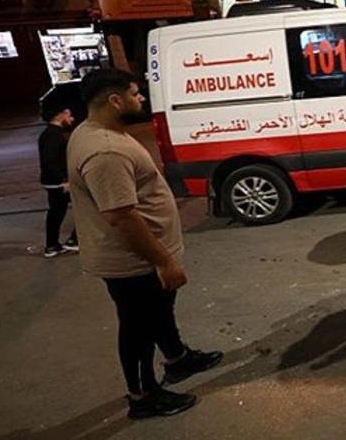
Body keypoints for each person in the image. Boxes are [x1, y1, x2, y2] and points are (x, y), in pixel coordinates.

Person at [67, 68, 223, 420]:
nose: (141, 99)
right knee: (138, 326)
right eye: (135, 94)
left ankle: (177, 358)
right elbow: (121, 216)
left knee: (158, 312)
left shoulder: (95, 132)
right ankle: (142, 395)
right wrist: (163, 261)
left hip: (142, 256)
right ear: (115, 100)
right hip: (133, 261)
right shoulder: (105, 151)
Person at [39, 104, 79, 257]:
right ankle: (74, 240)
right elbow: (49, 161)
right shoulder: (53, 136)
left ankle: (52, 245)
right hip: (58, 183)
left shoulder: (50, 134)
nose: (71, 119)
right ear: (60, 115)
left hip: (54, 182)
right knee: (87, 205)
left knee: (57, 212)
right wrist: (63, 180)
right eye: (69, 115)